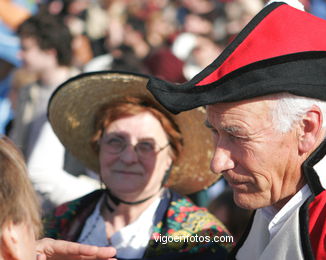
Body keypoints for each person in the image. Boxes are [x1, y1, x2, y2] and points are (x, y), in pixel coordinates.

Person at [146, 1, 326, 259]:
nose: (217, 163)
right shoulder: (269, 199)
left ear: (307, 128)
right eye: (215, 132)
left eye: (237, 135)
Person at [44, 71, 232, 259]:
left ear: (170, 157)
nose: (128, 157)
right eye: (115, 141)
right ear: (98, 147)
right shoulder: (60, 220)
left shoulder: (204, 239)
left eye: (146, 146)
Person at [10, 12, 100, 211]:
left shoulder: (82, 94)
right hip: (27, 203)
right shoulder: (28, 91)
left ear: (50, 52)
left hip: (65, 207)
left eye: (26, 49)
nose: (19, 55)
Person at [0, 136, 117, 260]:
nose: (129, 157)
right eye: (115, 141)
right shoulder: (62, 216)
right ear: (12, 237)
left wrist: (27, 251)